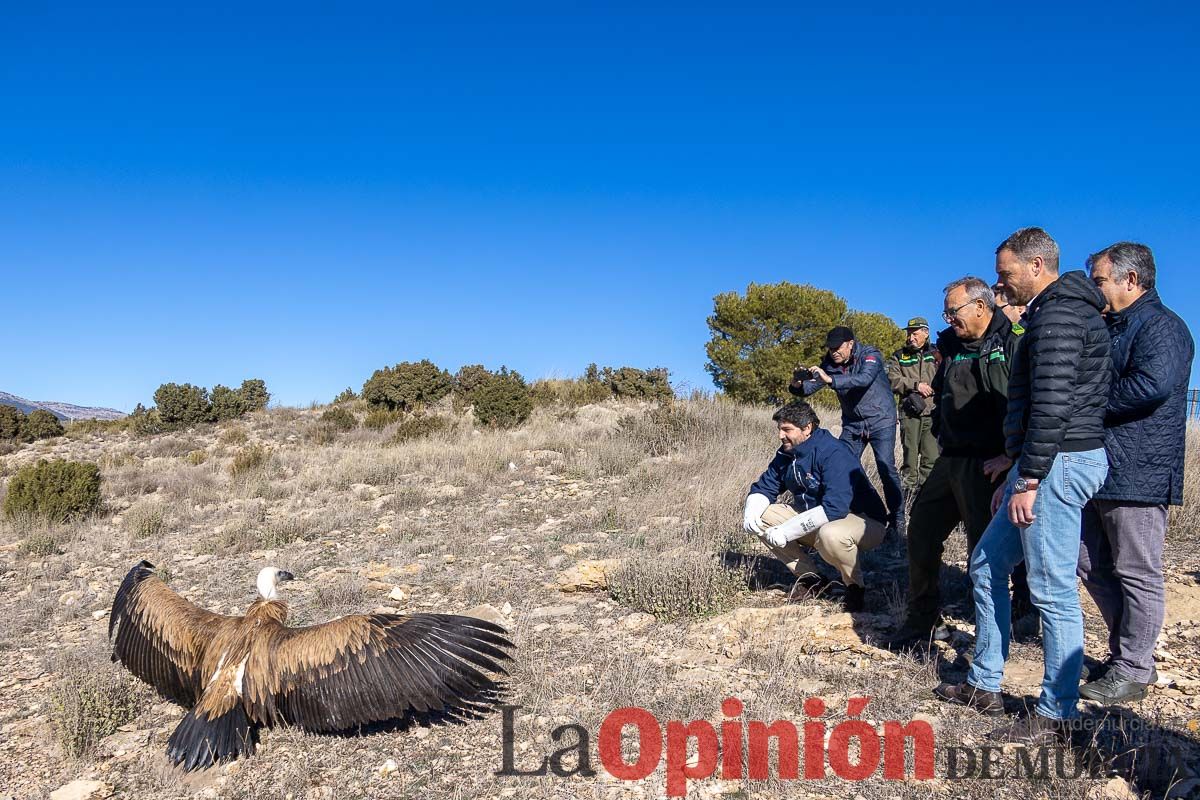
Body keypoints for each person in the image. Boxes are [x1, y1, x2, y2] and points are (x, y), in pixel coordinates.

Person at [935, 227, 1111, 745]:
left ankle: (1058, 711)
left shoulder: (1059, 314)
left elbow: (1053, 406)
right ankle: (985, 683)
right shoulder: (1048, 313)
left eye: (1006, 273)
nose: (999, 283)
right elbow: (1036, 406)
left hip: (1058, 464)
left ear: (1037, 266)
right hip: (1039, 464)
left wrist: (1028, 477)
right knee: (987, 563)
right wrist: (1015, 471)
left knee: (1052, 588)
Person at [884, 278, 1032, 651]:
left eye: (955, 311)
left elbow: (1029, 402)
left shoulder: (1012, 340)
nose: (949, 319)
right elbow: (943, 395)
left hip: (990, 463)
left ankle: (992, 638)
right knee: (921, 530)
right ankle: (923, 618)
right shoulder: (950, 347)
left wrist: (1012, 456)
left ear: (982, 307)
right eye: (946, 312)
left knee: (983, 553)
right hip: (951, 459)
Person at [1076, 242, 1194, 704]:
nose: (1094, 288)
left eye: (1100, 279)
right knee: (1088, 561)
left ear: (1131, 280)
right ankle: (1127, 653)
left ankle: (1134, 668)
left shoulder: (1163, 327)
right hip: (1101, 468)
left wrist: (1086, 406)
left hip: (1141, 471)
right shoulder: (1112, 326)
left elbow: (1151, 385)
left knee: (1136, 570)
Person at [743, 401, 888, 612]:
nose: (781, 436)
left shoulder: (833, 452)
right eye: (779, 430)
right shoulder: (787, 453)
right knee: (763, 515)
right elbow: (765, 487)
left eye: (787, 430)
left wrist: (786, 531)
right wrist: (750, 513)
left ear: (807, 428)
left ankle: (855, 588)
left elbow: (835, 508)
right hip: (816, 518)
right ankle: (812, 580)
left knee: (831, 534)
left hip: (864, 522)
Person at [791, 326, 905, 536]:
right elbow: (808, 389)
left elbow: (863, 379)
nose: (834, 352)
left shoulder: (870, 355)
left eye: (838, 348)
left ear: (850, 344)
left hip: (881, 419)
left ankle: (898, 520)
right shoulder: (829, 364)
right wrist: (797, 383)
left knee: (885, 466)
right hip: (853, 424)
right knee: (841, 466)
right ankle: (863, 511)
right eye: (830, 348)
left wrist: (830, 380)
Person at [887, 317, 940, 492]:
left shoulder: (937, 353)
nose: (911, 338)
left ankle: (925, 496)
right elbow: (892, 379)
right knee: (909, 457)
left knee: (930, 458)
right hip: (909, 413)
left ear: (926, 333)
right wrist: (916, 385)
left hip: (932, 413)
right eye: (909, 334)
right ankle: (907, 496)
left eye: (915, 334)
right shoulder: (899, 355)